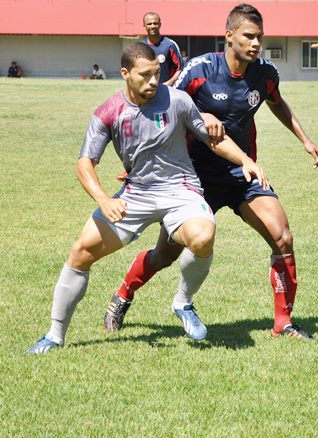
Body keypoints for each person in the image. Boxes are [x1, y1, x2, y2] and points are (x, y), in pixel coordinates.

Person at [26, 42, 267, 354]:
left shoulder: (179, 101)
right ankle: (54, 336)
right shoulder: (108, 112)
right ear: (125, 74)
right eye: (145, 75)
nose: (154, 81)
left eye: (157, 73)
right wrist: (103, 199)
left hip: (181, 190)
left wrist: (244, 160)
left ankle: (183, 303)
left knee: (203, 236)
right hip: (136, 193)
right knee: (80, 252)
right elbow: (85, 163)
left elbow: (212, 139)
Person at [105, 3, 318, 340]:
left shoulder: (265, 73)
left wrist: (305, 140)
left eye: (259, 37)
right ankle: (123, 295)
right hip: (194, 179)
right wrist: (144, 159)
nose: (256, 43)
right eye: (248, 36)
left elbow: (277, 102)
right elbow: (164, 106)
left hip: (242, 173)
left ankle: (283, 324)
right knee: (166, 253)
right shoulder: (200, 69)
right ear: (229, 36)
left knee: (283, 236)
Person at [142, 11, 183, 86]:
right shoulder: (140, 46)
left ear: (160, 25)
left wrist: (168, 84)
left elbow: (180, 70)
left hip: (167, 90)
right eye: (149, 24)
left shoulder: (170, 45)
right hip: (147, 89)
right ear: (144, 25)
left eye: (155, 23)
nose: (152, 26)